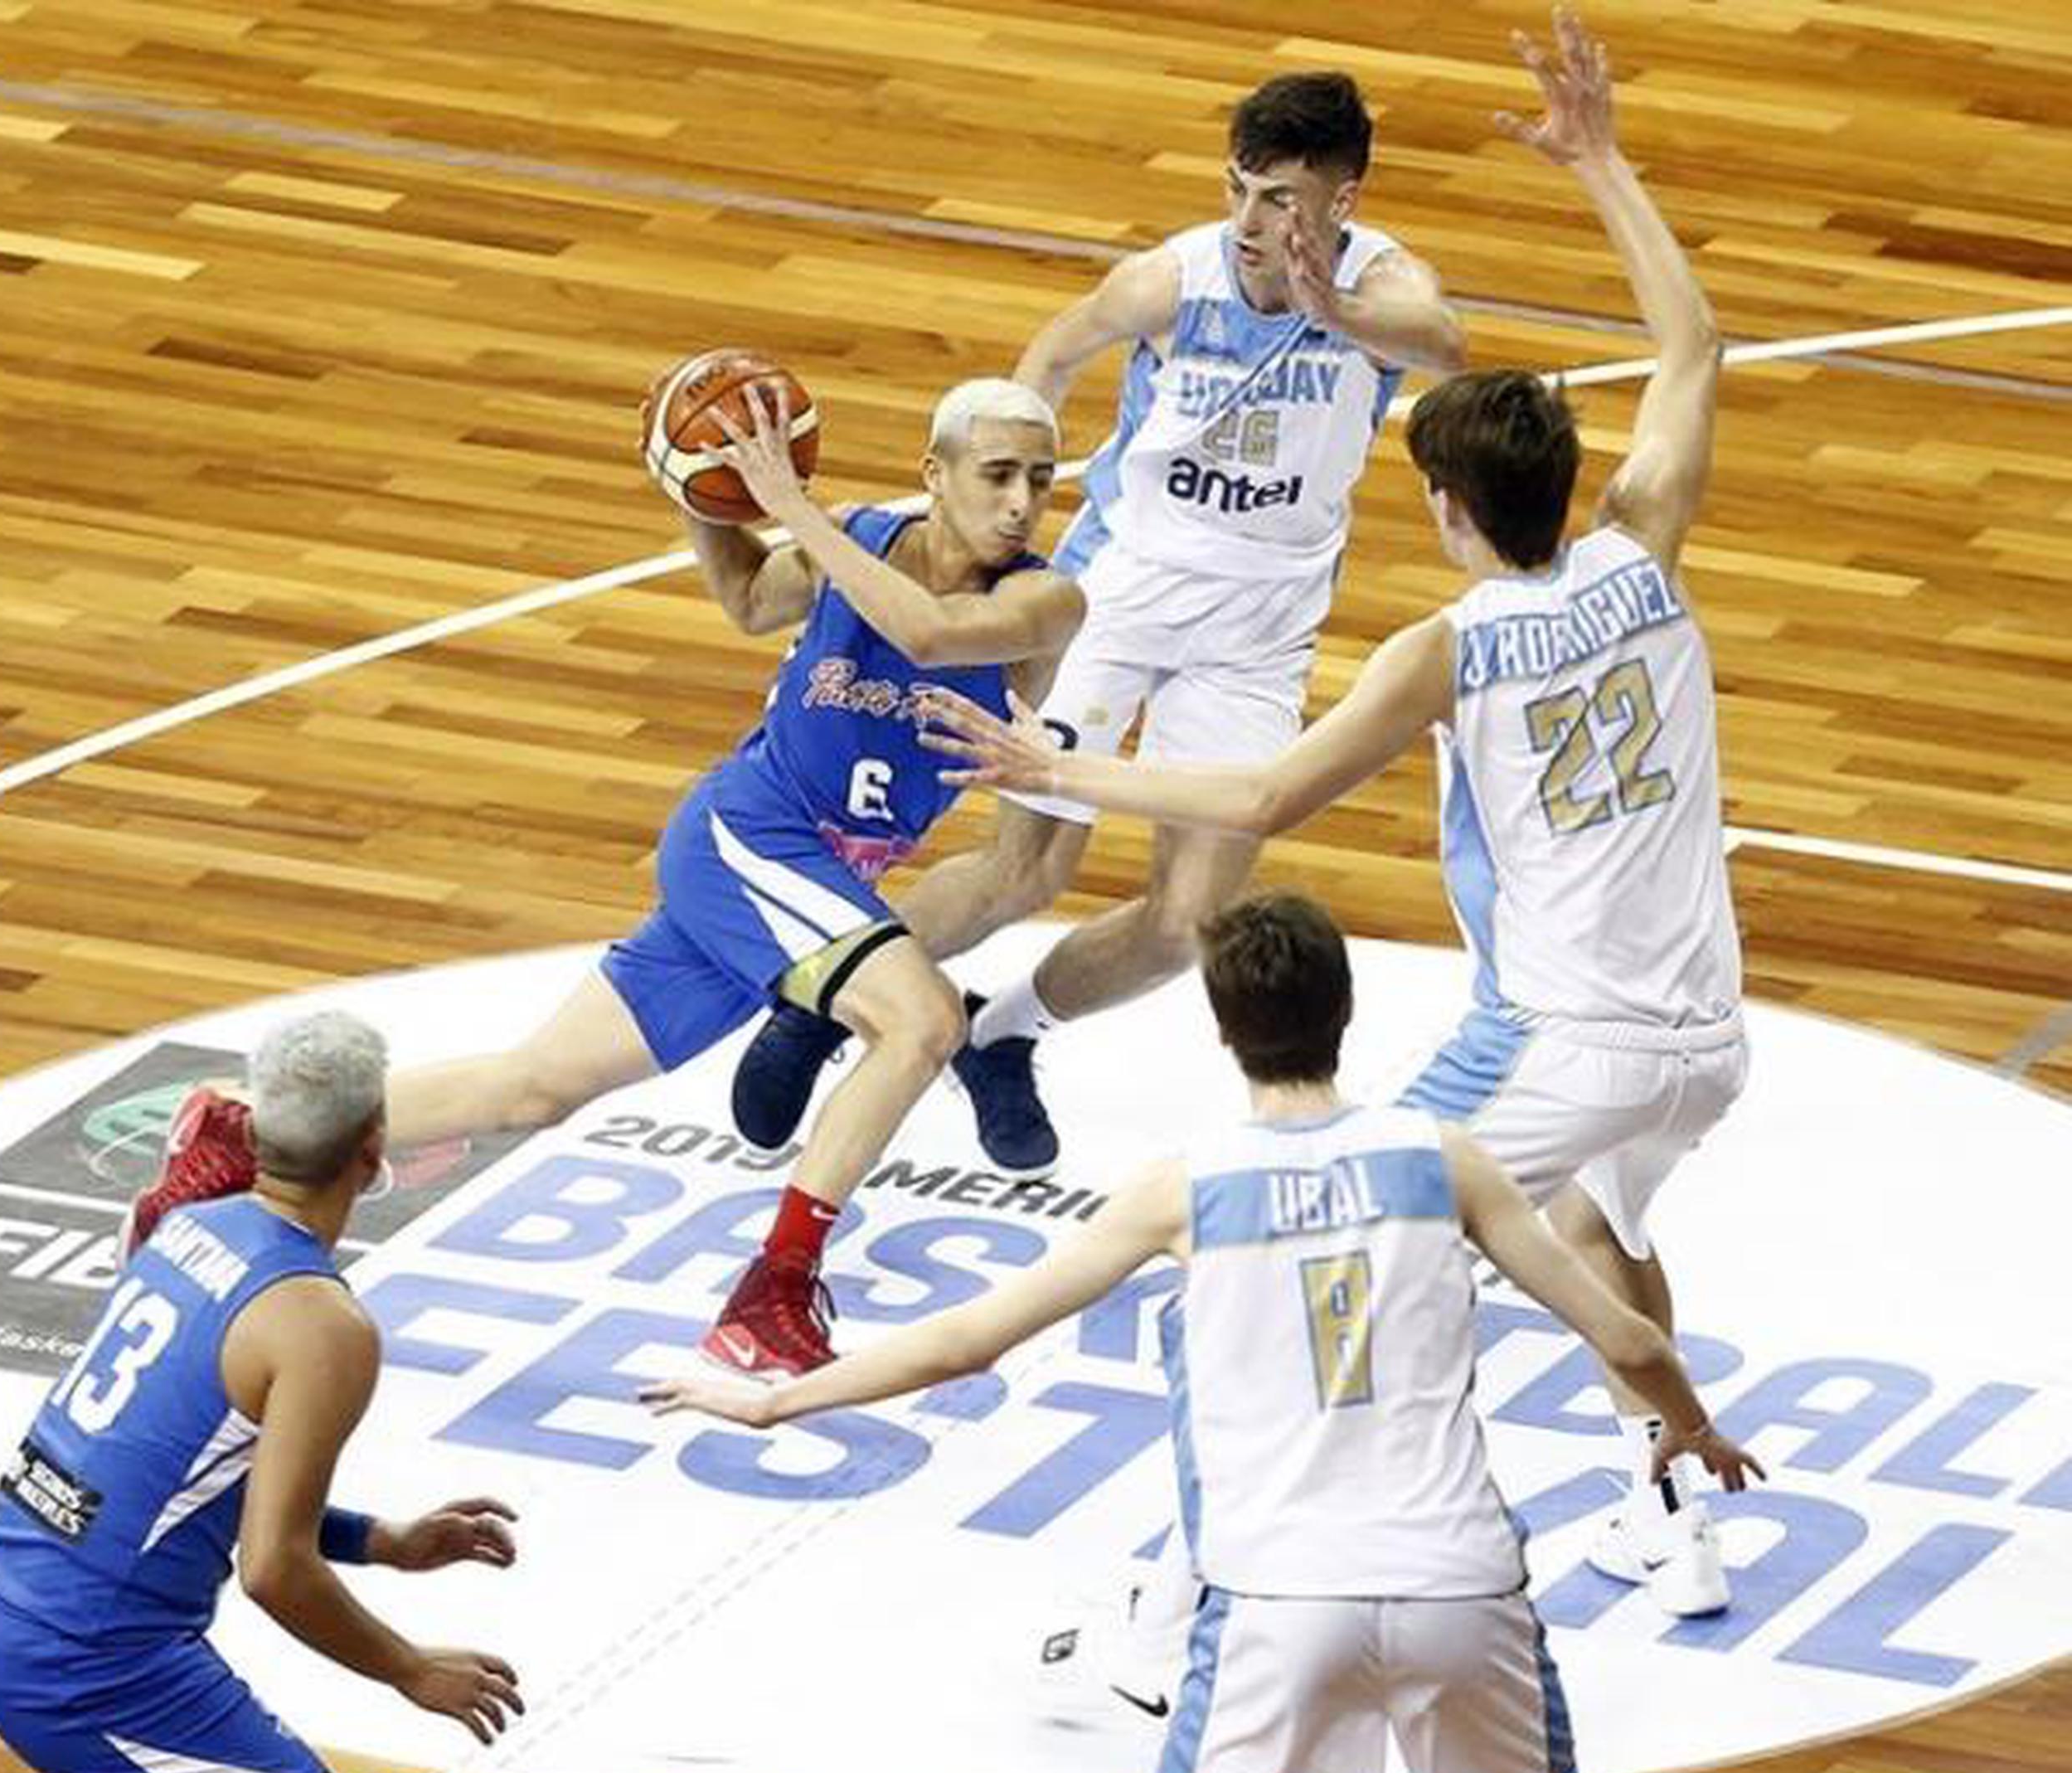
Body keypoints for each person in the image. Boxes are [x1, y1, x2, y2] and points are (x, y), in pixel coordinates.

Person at [644, 893, 1760, 1773]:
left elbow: (966, 1343)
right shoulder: (1444, 1162)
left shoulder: (1180, 1191)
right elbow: (1627, 1333)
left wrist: (770, 1404)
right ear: (1344, 1014)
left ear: (1225, 1031)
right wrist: (1692, 1428)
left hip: (1278, 1603)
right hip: (1457, 1581)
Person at [928, 8, 1744, 1623]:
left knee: (1328, 1257)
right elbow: (1694, 349)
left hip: (1556, 1034)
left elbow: (1257, 790)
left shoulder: (1447, 646)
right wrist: (1599, 164)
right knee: (1597, 1221)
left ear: (1443, 509)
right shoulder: (1641, 550)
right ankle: (1670, 1508)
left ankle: (1190, 1600)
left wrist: (1063, 770)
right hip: (1705, 1038)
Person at [128, 378, 1085, 1376]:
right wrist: (692, 484)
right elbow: (752, 597)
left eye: (1040, 480)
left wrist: (796, 507)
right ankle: (774, 1290)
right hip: (751, 834)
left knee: (531, 1088)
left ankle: (244, 1127)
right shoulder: (859, 541)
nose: (1021, 501)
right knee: (923, 1019)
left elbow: (929, 633)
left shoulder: (1045, 599)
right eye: (997, 474)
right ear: (935, 475)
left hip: (814, 879)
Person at [729, 66, 1467, 1173]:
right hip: (1112, 601)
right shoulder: (1170, 282)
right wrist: (997, 509)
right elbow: (1051, 359)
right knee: (1028, 869)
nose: (1255, 223)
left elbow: (1445, 345)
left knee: (1189, 925)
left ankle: (998, 1032)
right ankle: (820, 999)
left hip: (1258, 634)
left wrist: (1335, 309)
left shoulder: (1383, 288)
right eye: (1242, 191)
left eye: (1285, 202)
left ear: (1343, 201)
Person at [0, 1012, 521, 1773]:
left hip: (2, 1598)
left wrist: (388, 1542)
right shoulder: (319, 1323)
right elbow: (273, 1567)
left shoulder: (193, 1227)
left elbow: (188, 1471)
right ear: (375, 1149)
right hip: (90, 1663)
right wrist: (410, 1670)